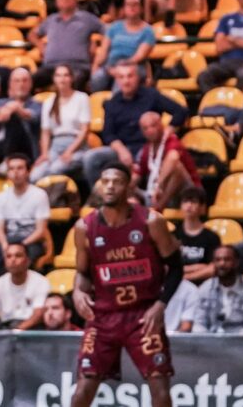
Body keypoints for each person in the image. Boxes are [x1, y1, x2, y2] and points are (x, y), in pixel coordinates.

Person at [70, 163, 183, 407]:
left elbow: (176, 267)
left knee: (160, 388)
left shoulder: (151, 221)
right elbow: (82, 273)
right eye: (105, 181)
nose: (110, 186)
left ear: (129, 187)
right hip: (103, 317)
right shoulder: (84, 227)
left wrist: (161, 304)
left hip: (142, 316)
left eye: (117, 181)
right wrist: (78, 291)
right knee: (82, 391)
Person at [85, 63, 188, 180]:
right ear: (117, 80)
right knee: (91, 158)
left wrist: (167, 132)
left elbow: (180, 112)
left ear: (138, 77)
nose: (126, 81)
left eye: (130, 76)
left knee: (142, 160)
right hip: (122, 148)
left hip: (147, 146)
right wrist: (121, 151)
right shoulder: (112, 102)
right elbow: (108, 134)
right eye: (121, 77)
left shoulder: (151, 95)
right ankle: (101, 191)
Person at [0, 154, 49, 284]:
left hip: (31, 240)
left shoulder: (39, 195)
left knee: (22, 260)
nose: (15, 172)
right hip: (9, 239)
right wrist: (4, 245)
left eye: (20, 168)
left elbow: (41, 230)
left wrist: (22, 245)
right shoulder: (1, 197)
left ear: (28, 171)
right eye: (12, 169)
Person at [30, 0, 103, 88]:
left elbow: (108, 32)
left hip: (78, 67)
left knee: (74, 83)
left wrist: (96, 44)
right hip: (51, 66)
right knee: (28, 82)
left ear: (76, 0)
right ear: (56, 2)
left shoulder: (87, 19)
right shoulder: (50, 20)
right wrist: (40, 45)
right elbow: (32, 34)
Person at [32, 65, 92, 181]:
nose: (62, 79)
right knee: (35, 175)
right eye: (58, 75)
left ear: (72, 79)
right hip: (55, 146)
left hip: (77, 146)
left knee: (55, 169)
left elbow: (85, 130)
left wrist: (69, 151)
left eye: (66, 75)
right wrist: (45, 154)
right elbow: (45, 132)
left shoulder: (81, 98)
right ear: (54, 79)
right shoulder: (48, 102)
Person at [133, 112, 201, 211]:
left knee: (176, 167)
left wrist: (158, 185)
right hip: (154, 193)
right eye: (145, 128)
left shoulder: (172, 141)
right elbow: (137, 174)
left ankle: (158, 209)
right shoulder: (146, 149)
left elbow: (173, 157)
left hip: (187, 192)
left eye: (153, 126)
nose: (150, 131)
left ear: (161, 124)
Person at [191, 245, 243, 334]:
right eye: (218, 260)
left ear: (236, 262)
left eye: (227, 259)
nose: (222, 264)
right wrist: (206, 339)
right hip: (211, 339)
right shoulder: (206, 288)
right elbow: (199, 323)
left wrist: (234, 341)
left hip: (242, 339)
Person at [90, 0, 155, 91]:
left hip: (135, 67)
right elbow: (103, 51)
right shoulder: (114, 27)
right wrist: (96, 67)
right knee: (96, 79)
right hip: (111, 65)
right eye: (128, 5)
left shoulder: (148, 31)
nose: (132, 7)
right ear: (124, 8)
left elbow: (139, 56)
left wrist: (119, 69)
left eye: (135, 4)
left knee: (122, 82)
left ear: (141, 8)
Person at [0, 243, 50, 329]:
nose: (13, 260)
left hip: (32, 329)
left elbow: (39, 313)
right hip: (5, 327)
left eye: (18, 256)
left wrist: (17, 331)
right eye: (8, 256)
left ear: (28, 261)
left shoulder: (41, 282)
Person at [174, 187, 220, 284]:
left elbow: (213, 268)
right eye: (185, 201)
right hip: (177, 285)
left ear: (202, 208)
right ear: (180, 206)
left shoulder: (212, 237)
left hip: (204, 284)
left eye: (194, 202)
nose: (189, 205)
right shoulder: (173, 235)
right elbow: (167, 266)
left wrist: (185, 277)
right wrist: (200, 267)